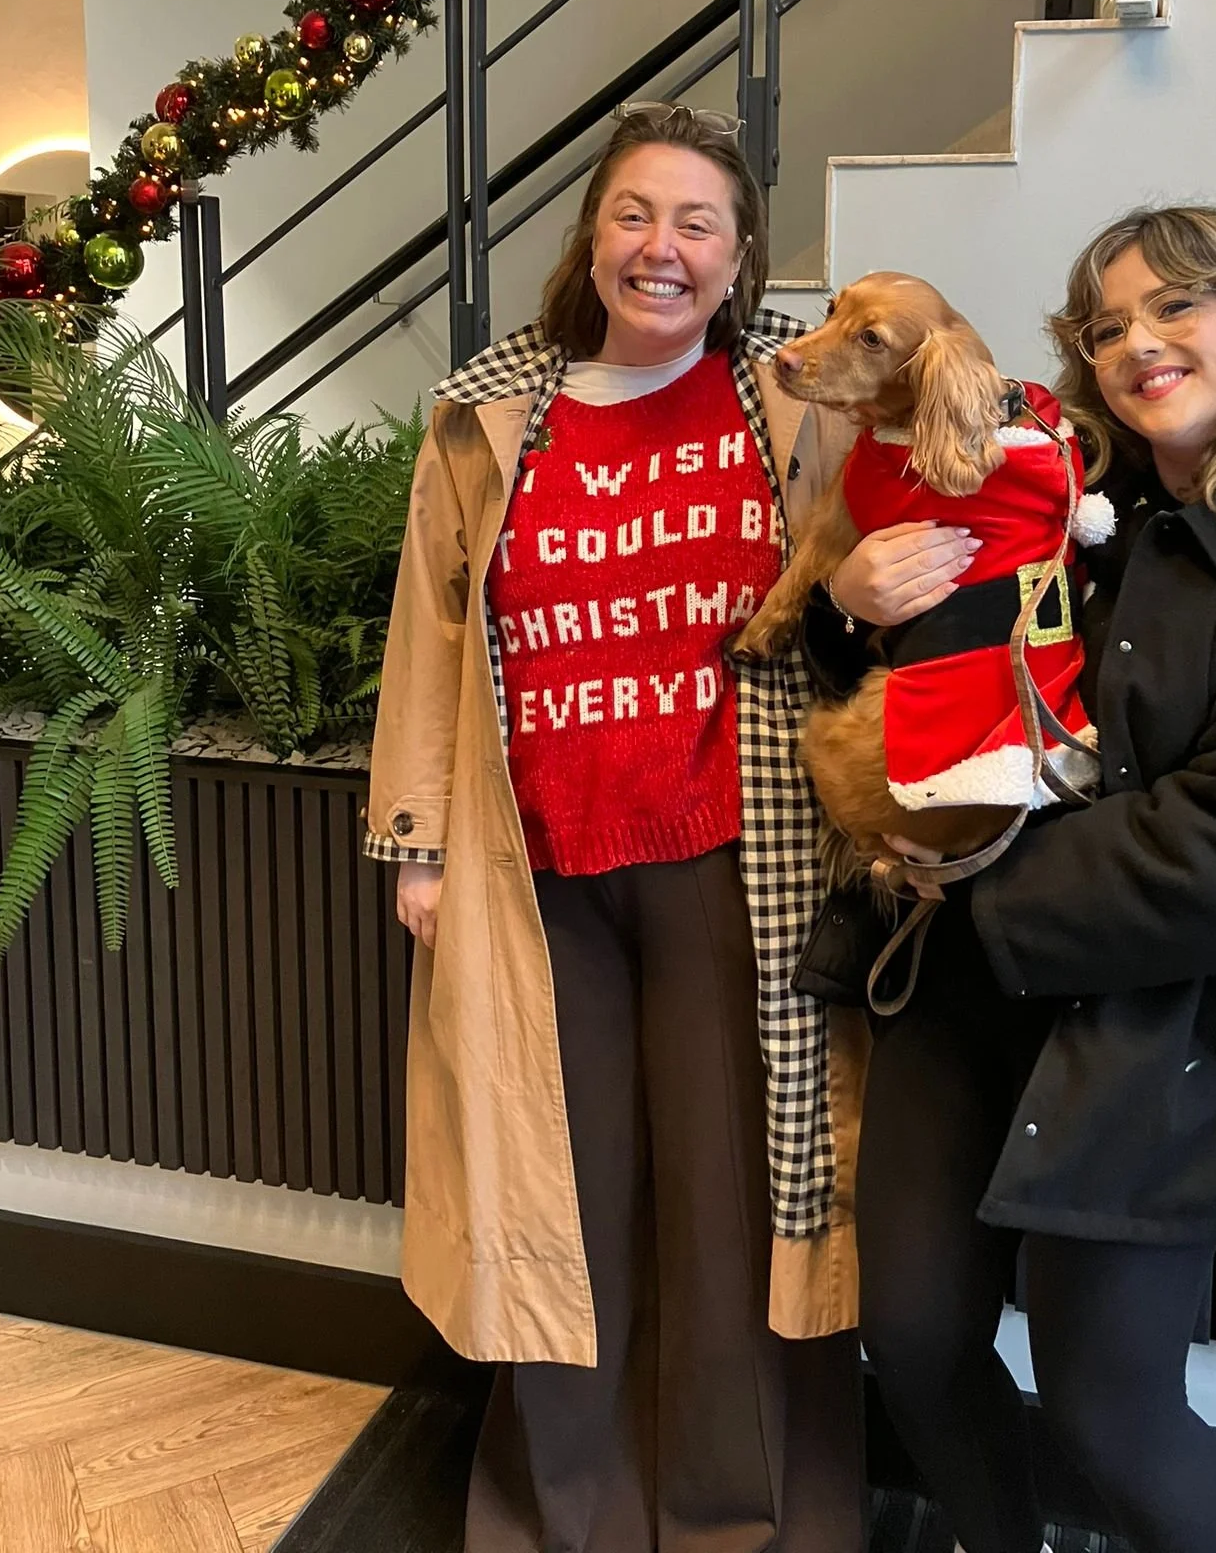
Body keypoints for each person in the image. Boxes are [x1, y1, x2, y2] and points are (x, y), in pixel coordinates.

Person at [819, 206, 1216, 1553]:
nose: (1136, 344)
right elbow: (905, 675)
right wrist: (842, 605)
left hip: (1162, 1027)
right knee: (911, 1339)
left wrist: (974, 883)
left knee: (1110, 1411)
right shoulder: (1056, 495)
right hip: (965, 996)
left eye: (1173, 310)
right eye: (1105, 326)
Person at [364, 104, 868, 1553]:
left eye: (697, 222)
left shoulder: (792, 404)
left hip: (739, 861)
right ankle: (559, 1523)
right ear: (594, 234)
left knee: (736, 1211)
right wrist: (421, 835)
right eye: (637, 214)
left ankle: (743, 1523)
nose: (663, 248)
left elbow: (881, 581)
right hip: (541, 876)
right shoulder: (489, 413)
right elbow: (436, 631)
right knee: (555, 1211)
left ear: (739, 254)